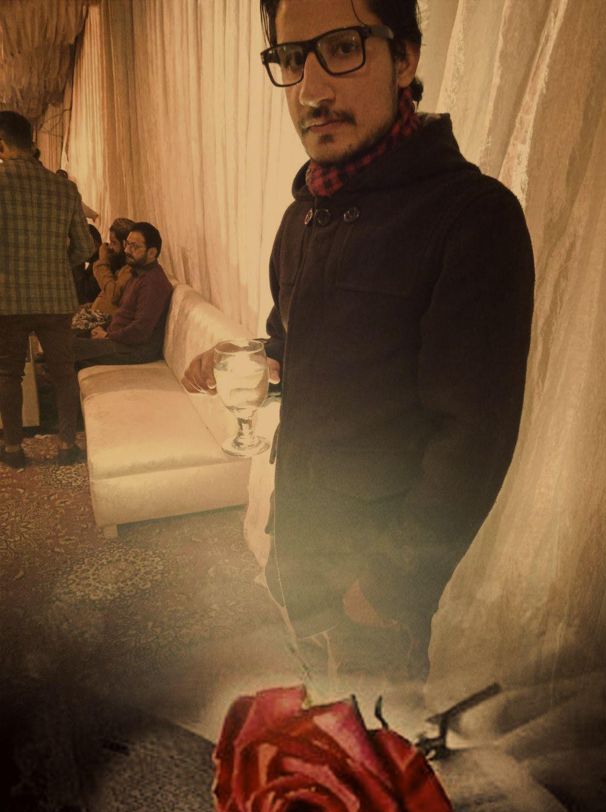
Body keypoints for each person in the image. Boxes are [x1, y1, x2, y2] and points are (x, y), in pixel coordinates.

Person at [185, 0, 535, 692]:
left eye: (343, 47)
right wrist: (252, 360)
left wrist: (384, 591)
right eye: (292, 58)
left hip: (369, 597)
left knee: (371, 752)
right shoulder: (302, 217)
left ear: (405, 58)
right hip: (295, 548)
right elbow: (295, 341)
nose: (311, 89)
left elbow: (475, 437)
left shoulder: (471, 215)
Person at [0, 110, 95, 468]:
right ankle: (67, 445)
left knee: (8, 374)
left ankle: (13, 449)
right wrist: (55, 264)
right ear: (31, 142)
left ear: (2, 143)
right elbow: (85, 247)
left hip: (7, 299)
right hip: (56, 299)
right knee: (63, 371)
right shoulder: (64, 188)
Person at [73, 222, 173, 368]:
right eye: (127, 244)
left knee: (65, 349)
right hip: (119, 339)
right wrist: (102, 328)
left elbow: (140, 331)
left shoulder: (153, 282)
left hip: (135, 349)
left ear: (152, 252)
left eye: (135, 247)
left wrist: (107, 336)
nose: (127, 250)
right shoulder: (136, 273)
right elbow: (122, 314)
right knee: (64, 339)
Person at [71, 217, 135, 333]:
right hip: (94, 317)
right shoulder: (116, 263)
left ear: (125, 244)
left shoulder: (129, 270)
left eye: (114, 242)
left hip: (103, 325)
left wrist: (102, 261)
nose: (109, 247)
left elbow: (112, 294)